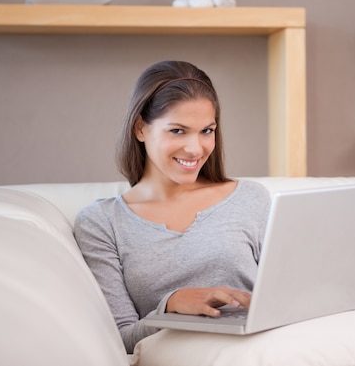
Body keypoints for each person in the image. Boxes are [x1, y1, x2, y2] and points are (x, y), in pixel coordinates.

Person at [73, 60, 271, 353]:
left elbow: (288, 300)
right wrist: (171, 305)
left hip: (266, 349)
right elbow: (122, 341)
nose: (195, 148)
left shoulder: (250, 198)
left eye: (207, 130)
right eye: (178, 131)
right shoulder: (102, 222)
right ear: (140, 128)